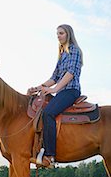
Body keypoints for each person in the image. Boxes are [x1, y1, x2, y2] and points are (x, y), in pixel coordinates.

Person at [27, 24, 83, 168]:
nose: (58, 36)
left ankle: (50, 155)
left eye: (61, 33)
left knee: (48, 113)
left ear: (68, 34)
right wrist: (39, 87)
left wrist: (54, 89)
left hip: (70, 90)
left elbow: (70, 73)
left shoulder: (74, 51)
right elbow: (54, 77)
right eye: (57, 33)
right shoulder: (62, 54)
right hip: (61, 91)